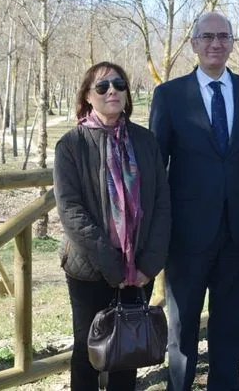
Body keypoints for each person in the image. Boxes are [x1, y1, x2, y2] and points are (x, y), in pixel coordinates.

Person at [149, 11, 239, 391]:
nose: (216, 43)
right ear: (194, 43)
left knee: (231, 325)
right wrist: (156, 235)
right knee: (182, 328)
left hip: (237, 231)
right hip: (185, 236)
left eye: (224, 36)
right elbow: (156, 170)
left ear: (233, 42)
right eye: (207, 37)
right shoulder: (169, 96)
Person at [53, 62, 172, 391]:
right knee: (87, 352)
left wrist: (149, 264)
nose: (112, 92)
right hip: (90, 269)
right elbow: (71, 211)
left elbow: (162, 202)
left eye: (119, 85)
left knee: (128, 351)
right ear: (88, 97)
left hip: (139, 269)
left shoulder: (146, 141)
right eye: (102, 87)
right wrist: (113, 266)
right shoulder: (71, 145)